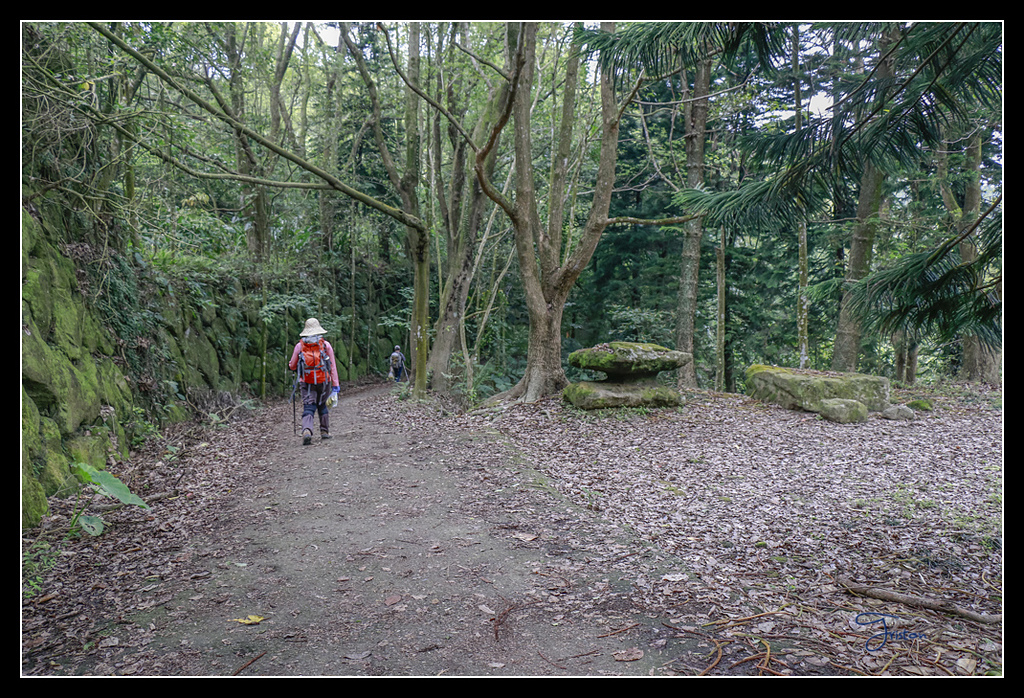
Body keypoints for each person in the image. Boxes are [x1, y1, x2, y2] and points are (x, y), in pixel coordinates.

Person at [288, 318, 340, 445]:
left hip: (306, 381)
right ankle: (324, 432)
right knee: (323, 405)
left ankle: (307, 430)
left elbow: (292, 366)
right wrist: (335, 385)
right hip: (324, 380)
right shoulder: (325, 345)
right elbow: (332, 366)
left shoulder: (300, 346)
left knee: (309, 406)